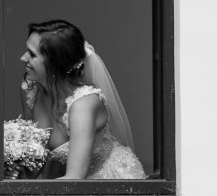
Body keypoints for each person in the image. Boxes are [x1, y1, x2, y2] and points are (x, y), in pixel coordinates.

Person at [18, 19, 146, 180]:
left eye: (32, 54)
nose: (23, 58)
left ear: (55, 63)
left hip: (103, 181)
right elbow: (32, 159)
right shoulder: (30, 90)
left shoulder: (83, 105)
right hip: (59, 182)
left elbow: (75, 179)